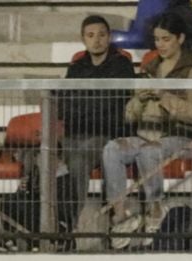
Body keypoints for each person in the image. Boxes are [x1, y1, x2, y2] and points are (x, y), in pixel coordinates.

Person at [101, 14, 192, 247]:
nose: (160, 45)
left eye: (166, 39)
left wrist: (164, 96)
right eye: (157, 39)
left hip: (179, 137)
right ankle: (120, 215)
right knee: (112, 148)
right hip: (144, 133)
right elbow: (129, 114)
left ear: (180, 38)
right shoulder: (149, 67)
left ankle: (155, 210)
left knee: (149, 151)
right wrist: (139, 100)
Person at [52, 14, 136, 243]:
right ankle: (36, 225)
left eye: (101, 35)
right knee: (46, 157)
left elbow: (114, 103)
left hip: (105, 135)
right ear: (83, 39)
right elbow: (63, 106)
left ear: (109, 37)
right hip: (74, 135)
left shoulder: (122, 65)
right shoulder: (76, 67)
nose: (96, 40)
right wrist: (92, 105)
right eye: (90, 35)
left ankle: (67, 227)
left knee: (78, 159)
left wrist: (82, 107)